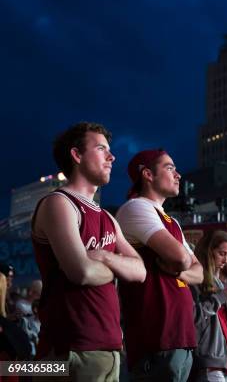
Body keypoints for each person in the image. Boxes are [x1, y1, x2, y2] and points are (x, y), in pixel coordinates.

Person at [31, 122, 147, 380]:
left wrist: (105, 257)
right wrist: (118, 267)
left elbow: (140, 271)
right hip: (68, 351)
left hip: (108, 348)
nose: (112, 156)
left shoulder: (107, 217)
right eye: (101, 148)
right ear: (77, 155)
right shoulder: (59, 204)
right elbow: (81, 272)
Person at [116, 149, 203, 382]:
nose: (178, 175)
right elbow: (183, 259)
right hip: (157, 337)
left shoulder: (170, 220)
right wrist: (182, 265)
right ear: (148, 174)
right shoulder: (136, 207)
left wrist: (178, 267)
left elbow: (200, 272)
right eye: (169, 167)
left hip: (180, 335)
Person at [191, 230, 227, 381]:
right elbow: (192, 319)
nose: (225, 260)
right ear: (207, 251)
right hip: (209, 363)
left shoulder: (217, 281)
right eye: (222, 253)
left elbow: (225, 322)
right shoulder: (195, 280)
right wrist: (221, 297)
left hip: (226, 361)